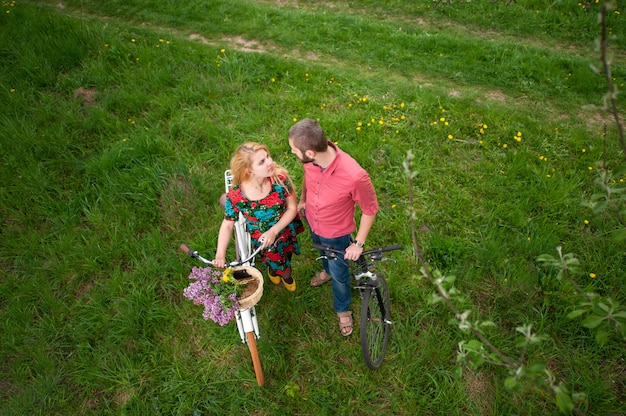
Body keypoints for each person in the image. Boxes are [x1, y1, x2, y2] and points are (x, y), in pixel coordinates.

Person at [287, 119, 378, 335]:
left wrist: (358, 243)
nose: (291, 153)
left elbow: (370, 210)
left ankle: (342, 308)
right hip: (313, 222)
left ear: (309, 152)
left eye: (293, 150)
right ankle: (326, 270)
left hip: (336, 235)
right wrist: (303, 200)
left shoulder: (355, 176)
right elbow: (308, 179)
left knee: (340, 275)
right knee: (321, 253)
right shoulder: (311, 162)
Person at [213, 142, 303, 292]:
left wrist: (274, 230)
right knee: (276, 260)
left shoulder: (279, 179)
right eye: (262, 162)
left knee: (286, 253)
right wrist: (220, 253)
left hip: (283, 227)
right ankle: (286, 276)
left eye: (267, 156)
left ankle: (275, 271)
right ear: (249, 171)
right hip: (263, 238)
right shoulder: (237, 195)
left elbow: (292, 208)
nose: (270, 162)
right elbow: (228, 224)